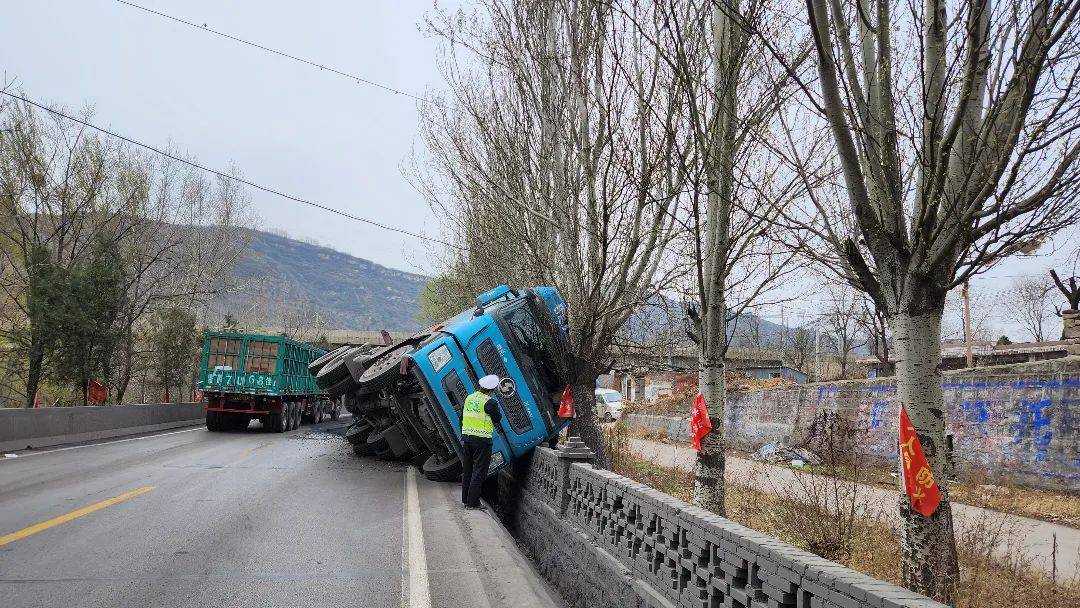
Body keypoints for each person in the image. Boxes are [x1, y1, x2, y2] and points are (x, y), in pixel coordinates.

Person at [459, 374, 503, 510]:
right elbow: (497, 418)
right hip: (482, 440)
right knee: (479, 471)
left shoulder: (469, 398)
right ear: (492, 390)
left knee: (468, 470)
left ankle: (466, 499)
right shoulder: (489, 402)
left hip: (467, 438)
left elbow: (461, 417)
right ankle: (473, 503)